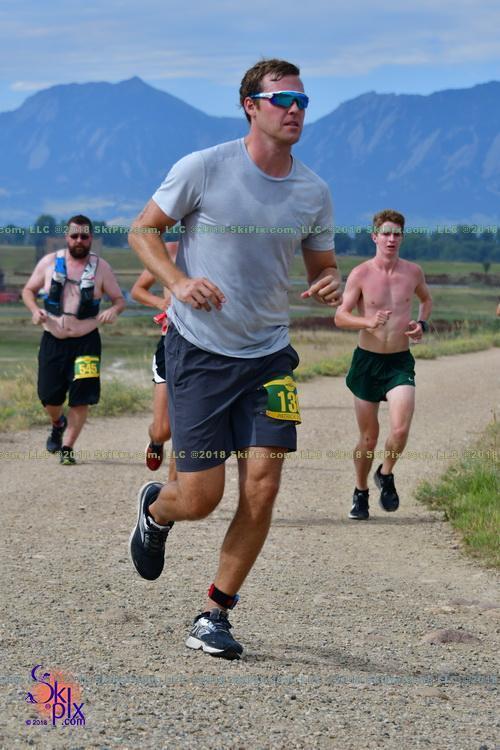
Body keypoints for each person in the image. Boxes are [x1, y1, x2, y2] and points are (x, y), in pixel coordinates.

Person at [127, 58, 342, 660]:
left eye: (302, 100)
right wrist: (177, 281)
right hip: (199, 352)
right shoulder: (204, 167)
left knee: (264, 486)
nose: (295, 110)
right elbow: (143, 231)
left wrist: (331, 281)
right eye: (282, 100)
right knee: (200, 497)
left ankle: (215, 613)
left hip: (270, 358)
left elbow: (323, 266)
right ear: (250, 105)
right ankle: (157, 509)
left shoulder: (313, 191)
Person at [334, 209, 433, 520]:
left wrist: (421, 324)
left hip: (399, 362)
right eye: (386, 233)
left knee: (400, 429)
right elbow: (340, 316)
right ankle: (360, 491)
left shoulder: (413, 272)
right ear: (374, 236)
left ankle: (385, 473)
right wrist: (367, 321)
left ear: (402, 237)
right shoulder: (361, 273)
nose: (391, 239)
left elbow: (426, 300)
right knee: (369, 438)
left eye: (397, 234)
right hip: (367, 362)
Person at [22, 215, 125, 464]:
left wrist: (113, 310)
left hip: (86, 342)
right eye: (74, 235)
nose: (79, 240)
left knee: (81, 397)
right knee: (49, 396)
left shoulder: (101, 268)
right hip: (53, 339)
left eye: (84, 236)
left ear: (91, 238)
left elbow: (119, 299)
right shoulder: (49, 262)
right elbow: (28, 290)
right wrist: (35, 311)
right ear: (66, 237)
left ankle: (67, 448)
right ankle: (58, 422)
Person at [130, 241, 178, 477]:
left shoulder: (223, 250)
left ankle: (176, 488)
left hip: (210, 346)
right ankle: (156, 442)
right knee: (163, 431)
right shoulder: (169, 251)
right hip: (172, 342)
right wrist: (161, 302)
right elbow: (138, 290)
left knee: (187, 426)